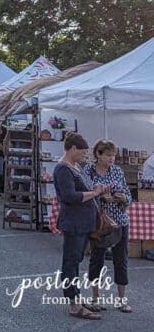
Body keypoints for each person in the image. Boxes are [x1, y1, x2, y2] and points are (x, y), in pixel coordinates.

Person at [53, 132, 106, 320]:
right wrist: (94, 193)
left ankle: (75, 297)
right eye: (83, 152)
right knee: (71, 261)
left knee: (75, 261)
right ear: (73, 149)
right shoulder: (63, 169)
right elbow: (70, 197)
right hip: (74, 222)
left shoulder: (73, 167)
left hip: (80, 222)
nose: (85, 155)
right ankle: (73, 303)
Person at [84, 139, 133, 313]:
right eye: (108, 155)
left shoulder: (118, 171)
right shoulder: (88, 170)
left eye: (113, 155)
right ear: (98, 154)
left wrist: (122, 198)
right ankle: (95, 298)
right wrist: (99, 196)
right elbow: (85, 195)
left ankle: (122, 300)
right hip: (99, 222)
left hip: (119, 220)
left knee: (121, 259)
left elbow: (128, 195)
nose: (112, 158)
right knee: (97, 259)